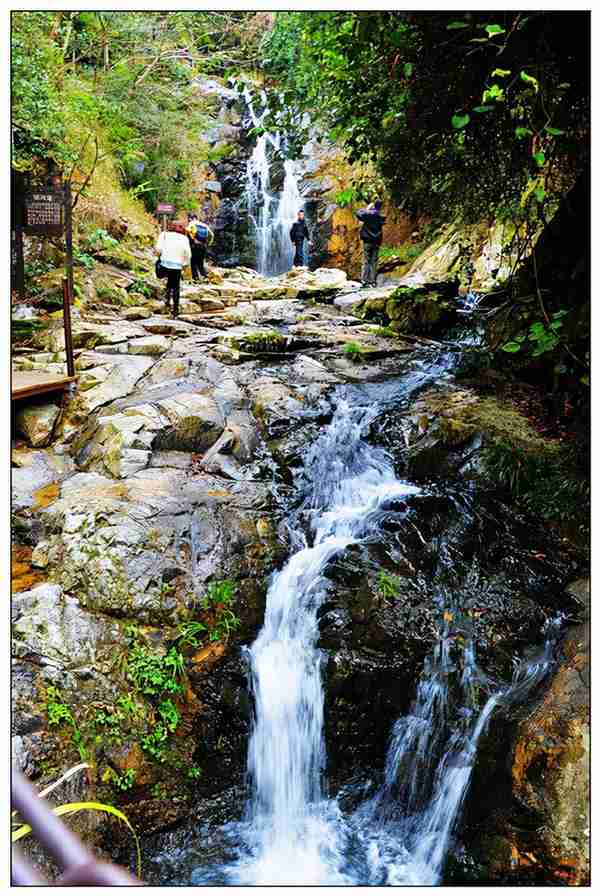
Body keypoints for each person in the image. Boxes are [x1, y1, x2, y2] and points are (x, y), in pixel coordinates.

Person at [155, 221, 191, 317]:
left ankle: (166, 299)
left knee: (167, 279)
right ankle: (175, 310)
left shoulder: (164, 235)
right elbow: (188, 253)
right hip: (176, 266)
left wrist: (160, 257)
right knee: (176, 287)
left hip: (164, 265)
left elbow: (158, 250)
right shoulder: (184, 238)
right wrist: (185, 264)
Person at [356, 198, 386, 287]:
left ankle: (364, 280)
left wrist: (367, 208)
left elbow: (358, 213)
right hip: (376, 242)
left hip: (367, 241)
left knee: (366, 261)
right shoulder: (381, 217)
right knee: (374, 261)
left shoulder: (368, 214)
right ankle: (373, 281)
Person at [186, 213, 214, 281]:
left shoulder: (192, 223)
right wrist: (209, 243)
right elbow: (212, 235)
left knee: (193, 262)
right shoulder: (204, 225)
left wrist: (190, 240)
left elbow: (187, 230)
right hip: (203, 246)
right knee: (200, 263)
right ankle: (204, 277)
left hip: (194, 246)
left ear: (191, 218)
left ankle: (196, 279)